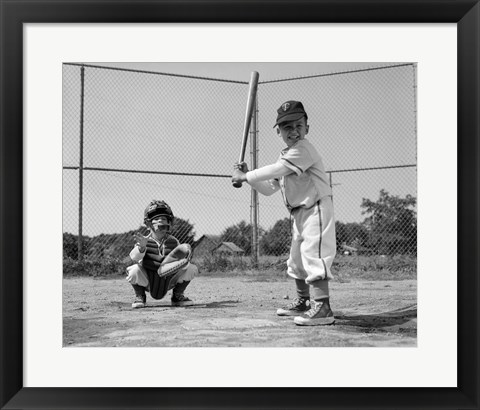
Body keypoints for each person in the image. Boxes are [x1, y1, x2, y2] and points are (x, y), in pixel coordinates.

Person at [232, 100, 336, 326]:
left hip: (316, 207)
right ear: (278, 131)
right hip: (299, 214)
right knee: (296, 260)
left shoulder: (304, 149)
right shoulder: (285, 156)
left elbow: (278, 170)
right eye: (287, 127)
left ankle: (323, 307)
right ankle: (304, 302)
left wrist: (245, 177)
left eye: (299, 125)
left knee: (314, 255)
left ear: (307, 128)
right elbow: (269, 188)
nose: (294, 131)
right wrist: (249, 176)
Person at [125, 199, 198, 309]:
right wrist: (142, 247)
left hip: (168, 281)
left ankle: (177, 296)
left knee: (191, 268)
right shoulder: (144, 240)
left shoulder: (173, 241)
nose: (161, 221)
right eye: (157, 219)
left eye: (164, 219)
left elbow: (180, 260)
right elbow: (134, 257)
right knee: (134, 269)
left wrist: (184, 259)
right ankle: (140, 296)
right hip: (148, 280)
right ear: (149, 223)